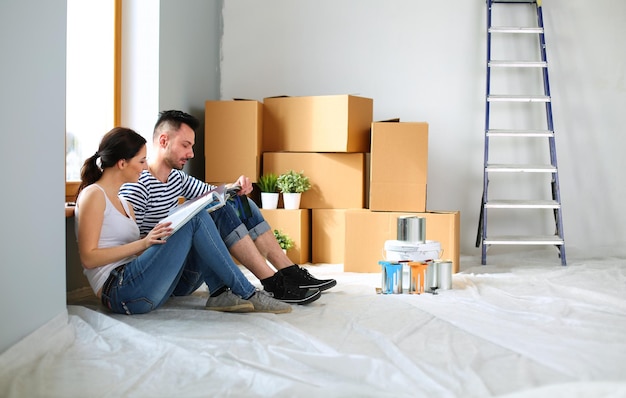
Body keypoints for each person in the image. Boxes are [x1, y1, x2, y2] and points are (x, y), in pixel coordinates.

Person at [119, 110, 336, 305]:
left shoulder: (177, 178)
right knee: (214, 210)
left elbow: (214, 194)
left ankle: (287, 271)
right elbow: (131, 249)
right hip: (162, 277)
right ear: (164, 140)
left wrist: (237, 187)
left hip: (185, 270)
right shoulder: (137, 185)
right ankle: (272, 282)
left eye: (192, 146)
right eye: (186, 145)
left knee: (238, 201)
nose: (191, 153)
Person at [75, 127, 294, 315]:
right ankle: (247, 292)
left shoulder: (123, 201)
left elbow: (132, 246)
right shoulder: (93, 195)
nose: (144, 167)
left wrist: (166, 234)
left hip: (141, 285)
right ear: (122, 163)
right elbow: (89, 258)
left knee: (202, 211)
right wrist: (145, 243)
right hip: (120, 292)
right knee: (194, 217)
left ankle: (221, 292)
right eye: (141, 161)